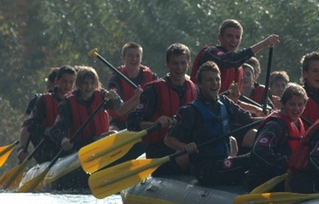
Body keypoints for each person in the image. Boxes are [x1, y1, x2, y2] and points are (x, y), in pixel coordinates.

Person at [165, 62, 260, 186]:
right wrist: (184, 146)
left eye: (217, 79)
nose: (215, 83)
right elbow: (168, 139)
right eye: (209, 80)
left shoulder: (225, 102)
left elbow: (248, 120)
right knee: (250, 160)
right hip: (206, 169)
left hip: (223, 162)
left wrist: (271, 119)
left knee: (258, 157)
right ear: (199, 84)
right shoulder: (190, 110)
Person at [127, 43, 198, 172]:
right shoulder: (153, 90)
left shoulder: (194, 89)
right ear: (167, 64)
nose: (179, 68)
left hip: (186, 146)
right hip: (159, 151)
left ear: (189, 63)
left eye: (183, 63)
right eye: (175, 63)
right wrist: (155, 123)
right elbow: (132, 122)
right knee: (186, 156)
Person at [50, 66, 141, 153]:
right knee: (109, 134)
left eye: (92, 83)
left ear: (96, 84)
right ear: (79, 84)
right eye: (85, 83)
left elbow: (118, 106)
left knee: (113, 133)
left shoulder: (102, 95)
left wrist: (115, 98)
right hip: (81, 147)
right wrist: (63, 139)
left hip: (102, 142)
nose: (89, 87)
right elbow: (55, 130)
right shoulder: (67, 104)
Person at [244, 84, 308, 191]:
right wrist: (287, 165)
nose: (296, 109)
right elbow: (259, 150)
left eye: (300, 104)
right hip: (264, 179)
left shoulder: (297, 124)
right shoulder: (275, 125)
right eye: (292, 104)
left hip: (283, 176)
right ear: (283, 104)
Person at [190, 19, 280, 93]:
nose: (234, 40)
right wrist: (263, 44)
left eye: (237, 37)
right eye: (229, 36)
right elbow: (232, 60)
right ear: (220, 38)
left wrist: (257, 110)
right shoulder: (211, 53)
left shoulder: (238, 67)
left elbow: (234, 100)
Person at [17, 65, 76, 163]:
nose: (68, 86)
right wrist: (46, 131)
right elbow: (29, 126)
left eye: (71, 82)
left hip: (70, 148)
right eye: (65, 82)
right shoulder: (43, 100)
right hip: (48, 150)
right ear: (57, 81)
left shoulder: (77, 100)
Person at [107, 42, 157, 130]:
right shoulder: (115, 80)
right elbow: (119, 111)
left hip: (143, 121)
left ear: (141, 58)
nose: (134, 59)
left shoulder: (151, 77)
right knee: (112, 130)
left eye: (137, 56)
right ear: (123, 58)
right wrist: (137, 98)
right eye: (130, 56)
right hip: (121, 123)